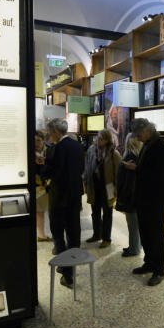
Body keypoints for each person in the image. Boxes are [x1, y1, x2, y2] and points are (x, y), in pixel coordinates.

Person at [124, 118, 164, 286]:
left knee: (156, 235)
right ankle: (149, 263)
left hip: (156, 200)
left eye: (138, 134)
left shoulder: (161, 147)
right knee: (145, 233)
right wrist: (137, 166)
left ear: (147, 130)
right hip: (144, 198)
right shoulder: (148, 144)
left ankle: (159, 270)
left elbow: (159, 175)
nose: (137, 138)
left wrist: (136, 169)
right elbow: (147, 167)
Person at [40, 118, 85, 289]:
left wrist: (42, 166)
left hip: (59, 197)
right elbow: (80, 169)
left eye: (50, 132)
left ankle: (66, 273)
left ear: (56, 132)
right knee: (73, 233)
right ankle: (70, 268)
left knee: (58, 233)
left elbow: (53, 172)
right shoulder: (77, 146)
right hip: (74, 196)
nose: (49, 135)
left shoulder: (57, 148)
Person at [83, 129, 121, 248]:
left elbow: (118, 173)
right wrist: (85, 181)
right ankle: (96, 234)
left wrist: (117, 188)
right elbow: (87, 166)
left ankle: (106, 238)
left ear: (107, 140)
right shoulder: (91, 150)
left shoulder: (114, 153)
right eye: (97, 138)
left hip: (108, 187)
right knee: (95, 212)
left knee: (107, 213)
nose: (98, 140)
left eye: (101, 139)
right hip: (94, 186)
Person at [115, 133, 143, 257]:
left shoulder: (130, 157)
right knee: (136, 224)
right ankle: (135, 245)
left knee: (132, 224)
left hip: (130, 196)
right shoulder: (139, 156)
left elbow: (128, 180)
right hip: (137, 195)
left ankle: (134, 249)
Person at [34, 131, 52, 242]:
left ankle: (54, 234)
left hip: (51, 184)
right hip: (38, 186)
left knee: (52, 211)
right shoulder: (29, 151)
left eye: (38, 140)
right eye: (34, 141)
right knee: (39, 211)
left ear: (43, 140)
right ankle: (41, 235)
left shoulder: (50, 150)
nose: (36, 143)